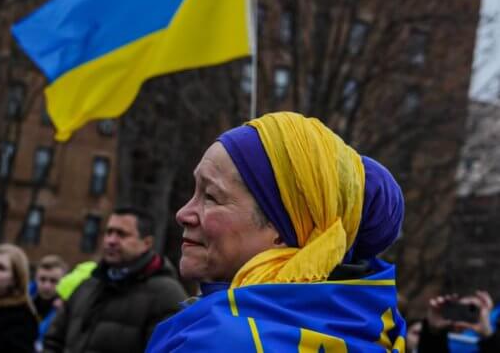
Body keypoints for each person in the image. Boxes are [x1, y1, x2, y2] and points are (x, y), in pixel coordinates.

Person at [146, 112, 407, 352]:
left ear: (282, 233)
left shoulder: (216, 341)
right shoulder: (380, 330)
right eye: (195, 192)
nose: (183, 214)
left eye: (211, 197)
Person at [44, 207, 187, 353]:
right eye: (109, 232)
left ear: (147, 243)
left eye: (121, 234)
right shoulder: (86, 286)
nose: (111, 240)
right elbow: (53, 341)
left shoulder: (166, 294)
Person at [417, 291, 500, 352]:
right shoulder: (439, 338)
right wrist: (433, 332)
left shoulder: (491, 338)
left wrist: (489, 336)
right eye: (461, 309)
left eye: (473, 310)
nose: (466, 315)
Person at [31, 255, 68, 352]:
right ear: (35, 278)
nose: (47, 286)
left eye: (53, 281)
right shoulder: (22, 301)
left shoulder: (68, 311)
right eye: (42, 279)